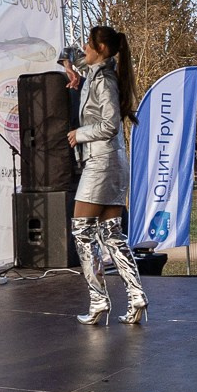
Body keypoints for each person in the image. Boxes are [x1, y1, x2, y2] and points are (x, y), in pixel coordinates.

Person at [64, 26, 148, 324]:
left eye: (88, 44)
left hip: (102, 163)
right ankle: (136, 296)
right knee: (112, 234)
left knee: (82, 232)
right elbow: (70, 54)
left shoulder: (104, 80)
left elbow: (110, 124)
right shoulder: (98, 73)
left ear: (100, 48)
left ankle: (99, 300)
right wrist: (70, 70)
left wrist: (79, 133)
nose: (83, 48)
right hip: (112, 162)